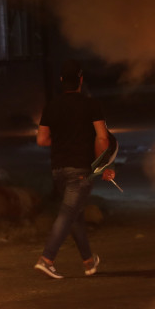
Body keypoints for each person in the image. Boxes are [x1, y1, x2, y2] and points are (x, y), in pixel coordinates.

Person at [34, 60, 116, 279]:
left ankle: (89, 262)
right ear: (81, 80)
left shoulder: (51, 106)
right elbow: (102, 137)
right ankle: (47, 259)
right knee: (68, 213)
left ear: (62, 81)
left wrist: (62, 141)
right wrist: (105, 164)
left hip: (58, 170)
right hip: (80, 169)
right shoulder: (91, 105)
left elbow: (42, 140)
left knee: (75, 215)